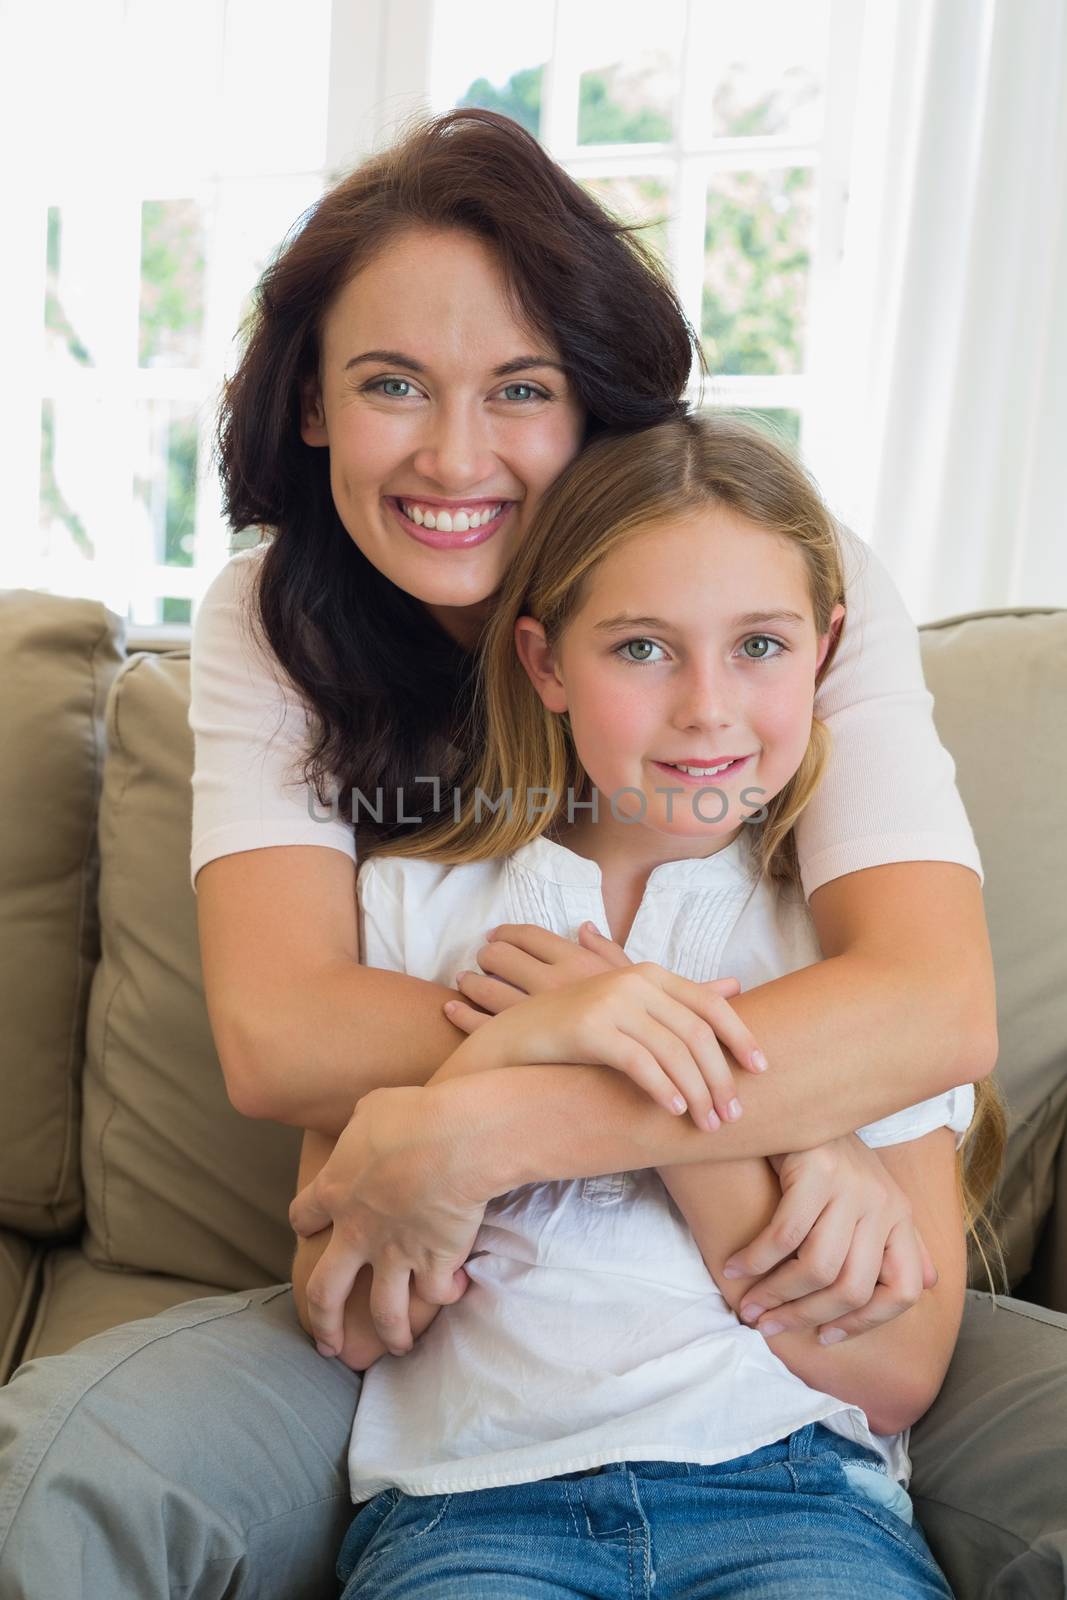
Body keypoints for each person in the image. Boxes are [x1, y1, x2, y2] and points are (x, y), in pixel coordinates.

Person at [0, 108, 1023, 1600]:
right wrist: (587, 1029)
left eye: (522, 389)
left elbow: (927, 1010)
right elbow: (284, 1038)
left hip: (772, 1439)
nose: (453, 456)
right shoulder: (280, 638)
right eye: (390, 385)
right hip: (468, 1448)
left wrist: (473, 1127)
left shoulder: (778, 580)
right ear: (310, 407)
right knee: (63, 1466)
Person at [314, 412, 1005, 1598]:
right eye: (640, 649)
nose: (706, 707)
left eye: (759, 646)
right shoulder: (410, 911)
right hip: (473, 1510)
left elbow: (891, 1373)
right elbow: (349, 1315)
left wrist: (693, 1079)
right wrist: (540, 1033)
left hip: (793, 1499)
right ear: (544, 663)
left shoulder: (851, 962)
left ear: (827, 651)